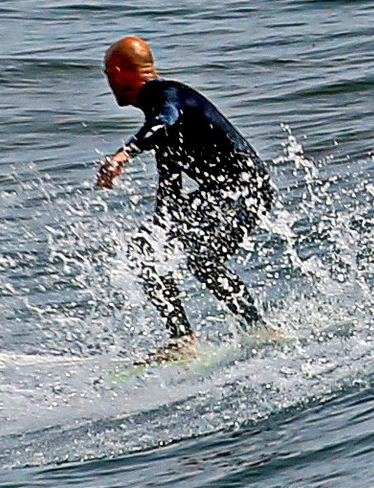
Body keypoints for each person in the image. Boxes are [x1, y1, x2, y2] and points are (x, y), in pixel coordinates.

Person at [94, 36, 275, 362]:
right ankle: (186, 338)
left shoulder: (166, 96)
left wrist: (124, 155)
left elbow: (164, 122)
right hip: (231, 193)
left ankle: (253, 329)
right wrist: (159, 231)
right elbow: (170, 185)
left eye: (106, 74)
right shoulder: (161, 115)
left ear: (118, 73)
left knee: (201, 260)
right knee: (146, 252)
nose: (107, 82)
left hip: (245, 191)